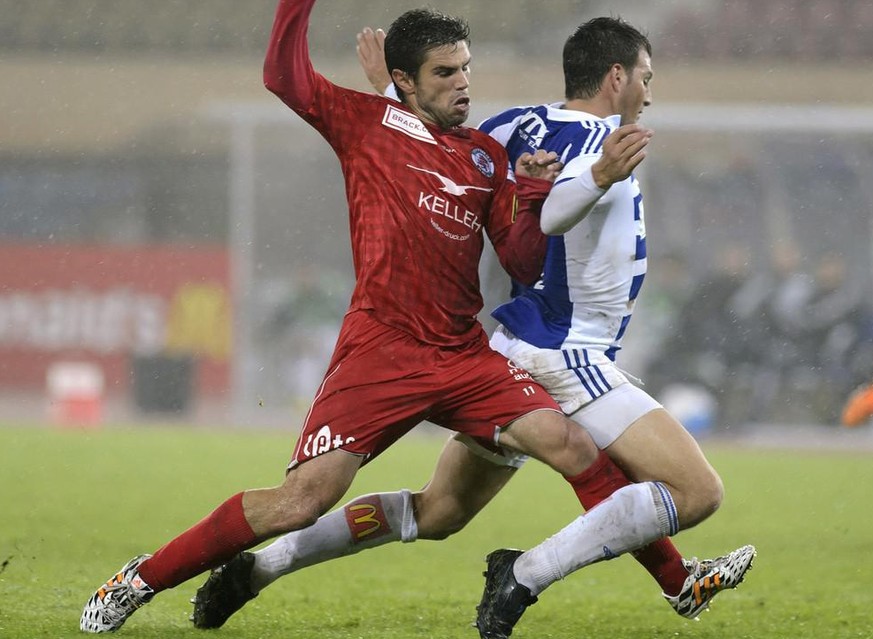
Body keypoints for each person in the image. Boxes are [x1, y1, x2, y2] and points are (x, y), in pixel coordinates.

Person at [80, 1, 690, 634]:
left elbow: (521, 258)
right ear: (405, 81)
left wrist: (531, 192)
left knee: (571, 444)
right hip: (382, 350)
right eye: (445, 73)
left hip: (461, 354)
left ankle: (676, 580)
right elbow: (283, 77)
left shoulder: (484, 158)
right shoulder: (367, 124)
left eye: (466, 69)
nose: (464, 84)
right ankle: (141, 579)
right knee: (301, 501)